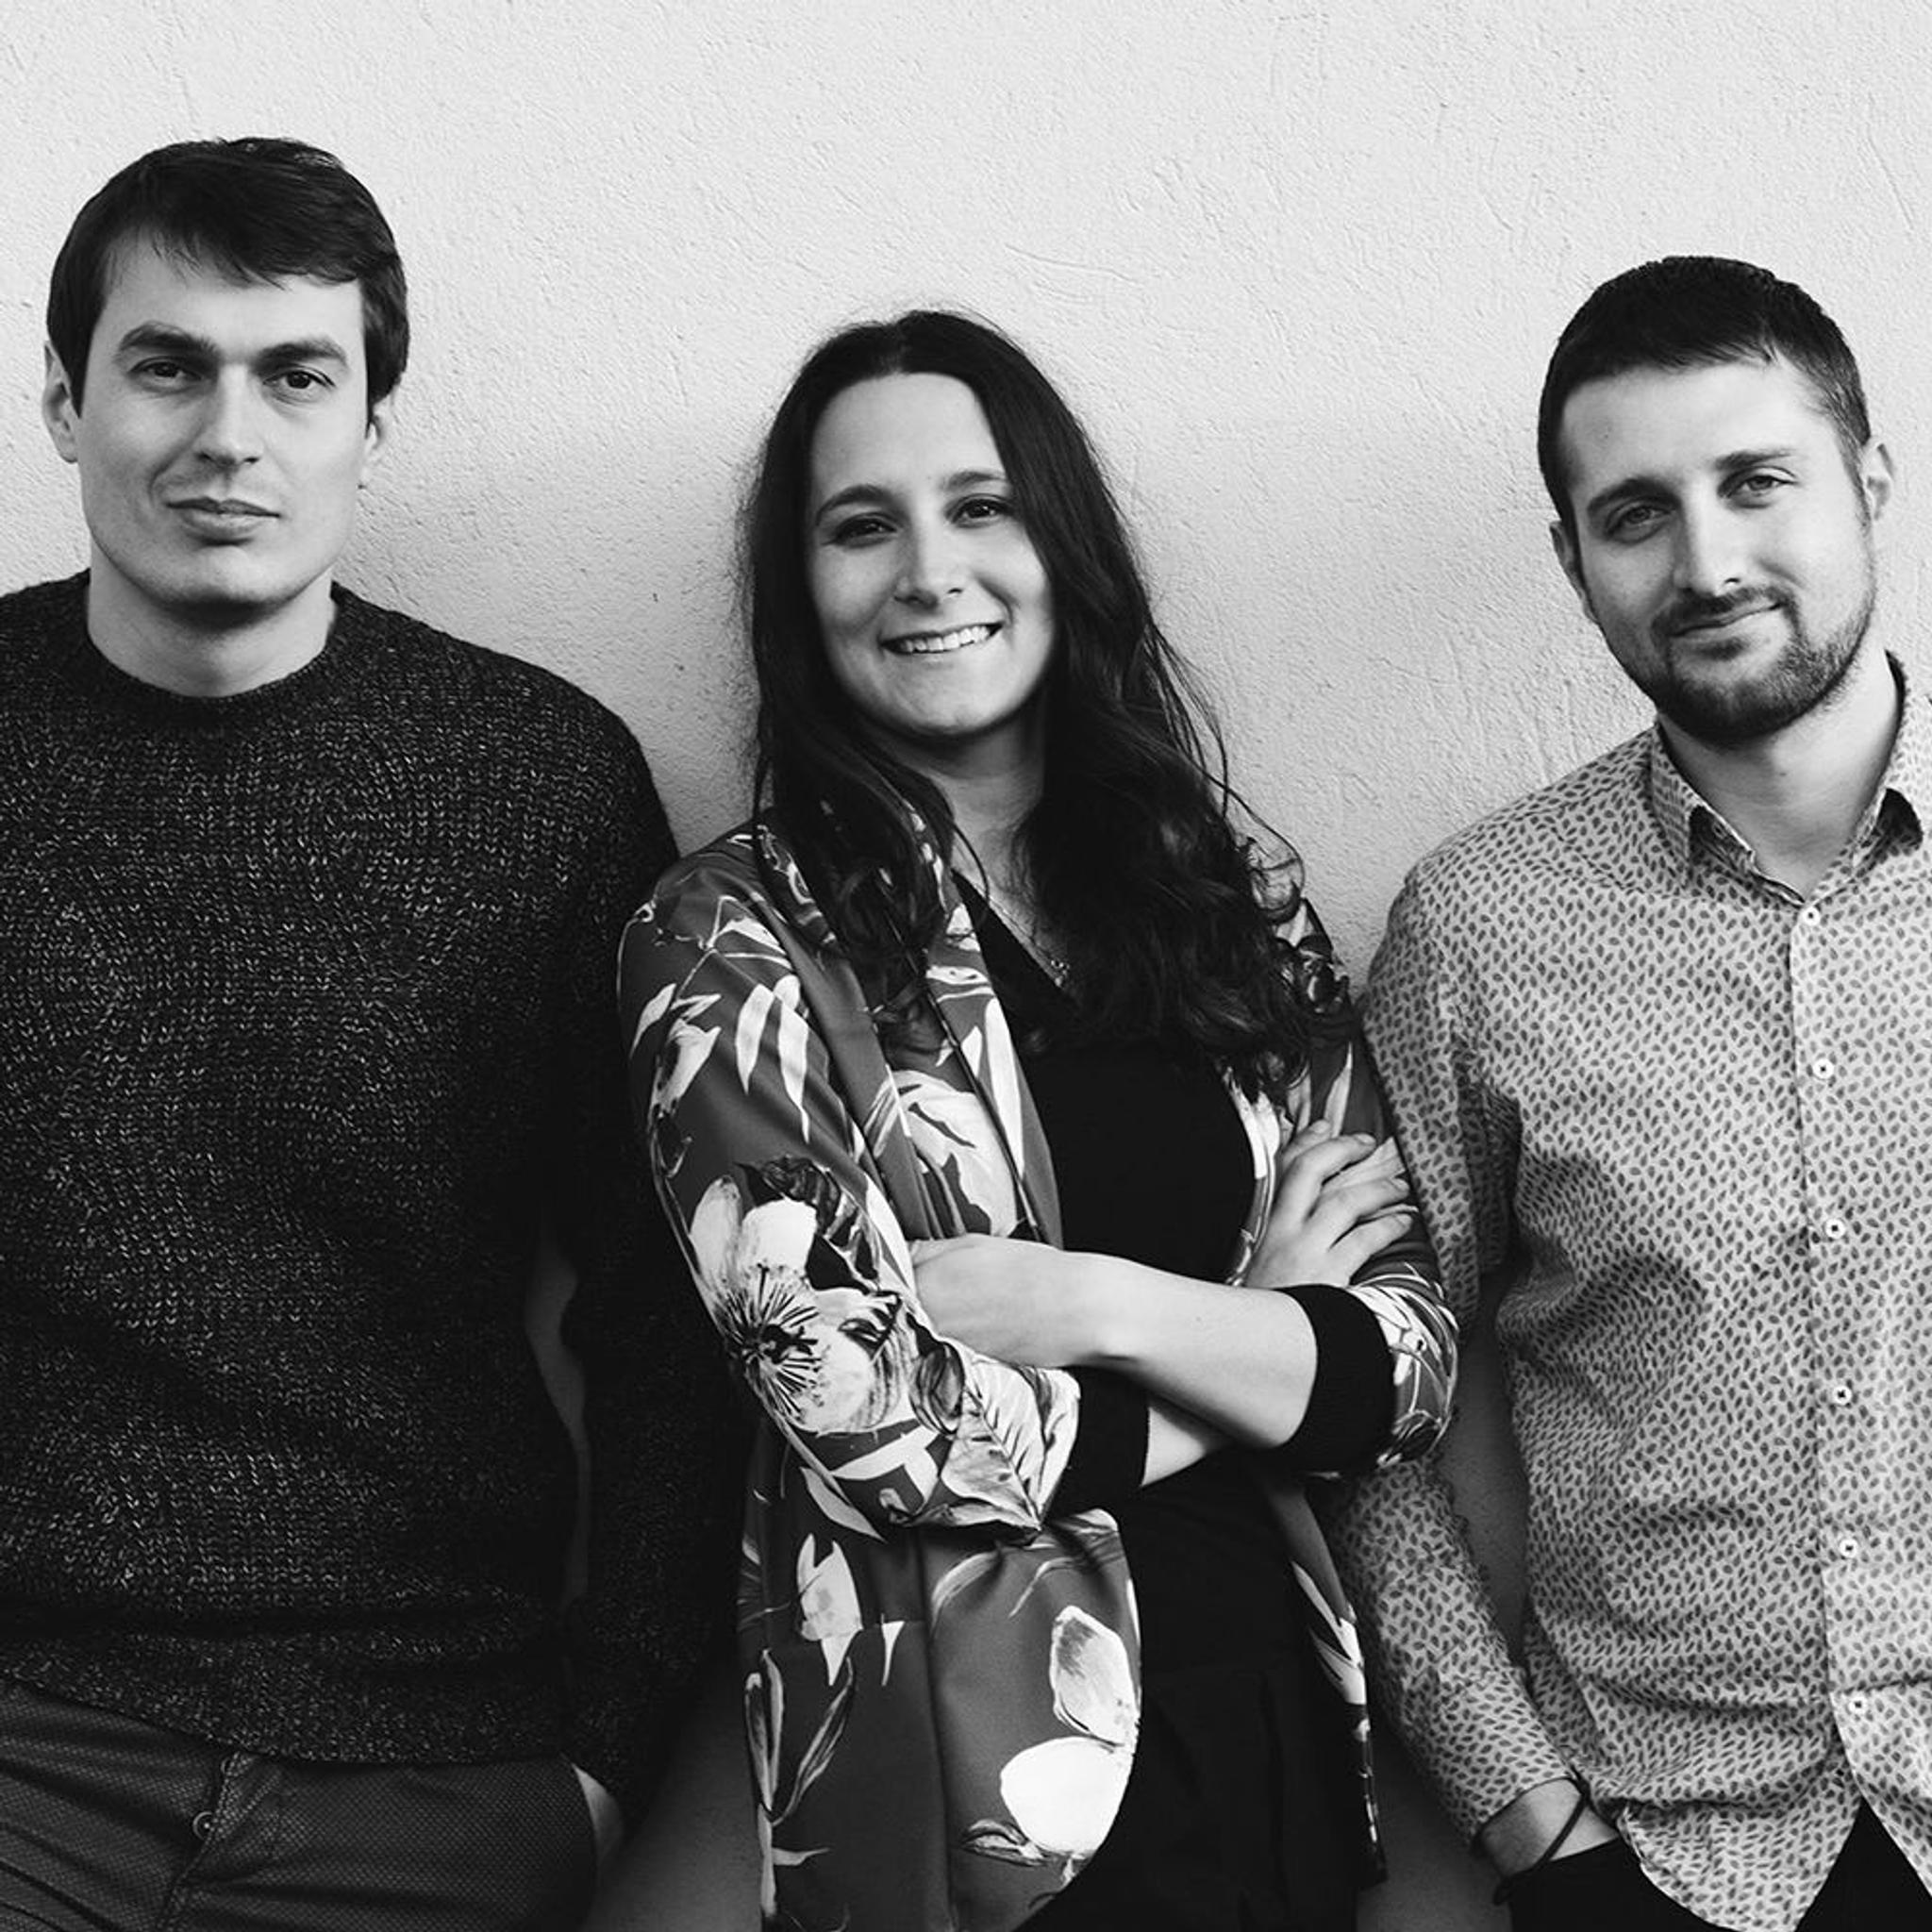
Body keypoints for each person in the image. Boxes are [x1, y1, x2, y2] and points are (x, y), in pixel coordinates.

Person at [622, 309, 1457, 1932]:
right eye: (863, 527)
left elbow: (1408, 1363)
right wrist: (1259, 1341)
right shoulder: (728, 940)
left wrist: (1099, 1307)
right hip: (976, 1811)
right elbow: (882, 1420)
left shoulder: (1227, 903)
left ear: (1060, 548)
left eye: (980, 507)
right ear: (802, 592)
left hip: (1273, 1731)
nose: (930, 571)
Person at [0, 136, 733, 1931]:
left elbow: (669, 1306)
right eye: (167, 366)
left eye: (296, 376)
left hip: (437, 1779)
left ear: (371, 425)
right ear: (65, 402)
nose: (228, 435)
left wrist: (605, 1762)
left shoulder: (536, 784)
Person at [1334, 256, 1932, 1931]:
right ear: (1574, 563)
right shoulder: (1480, 932)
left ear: (1870, 482)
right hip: (1676, 1862)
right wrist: (1531, 1826)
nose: (1709, 562)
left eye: (1756, 482)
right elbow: (1360, 1393)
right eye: (1637, 515)